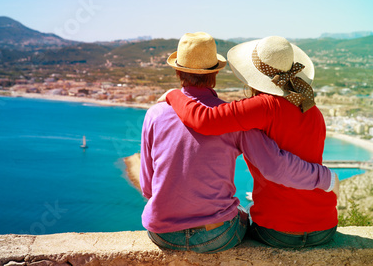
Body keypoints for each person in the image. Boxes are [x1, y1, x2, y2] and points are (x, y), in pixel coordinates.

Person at [140, 32, 338, 253]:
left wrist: (174, 95)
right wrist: (326, 179)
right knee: (239, 215)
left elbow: (204, 120)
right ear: (215, 73)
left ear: (177, 71)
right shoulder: (311, 110)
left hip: (167, 233)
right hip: (322, 225)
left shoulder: (155, 115)